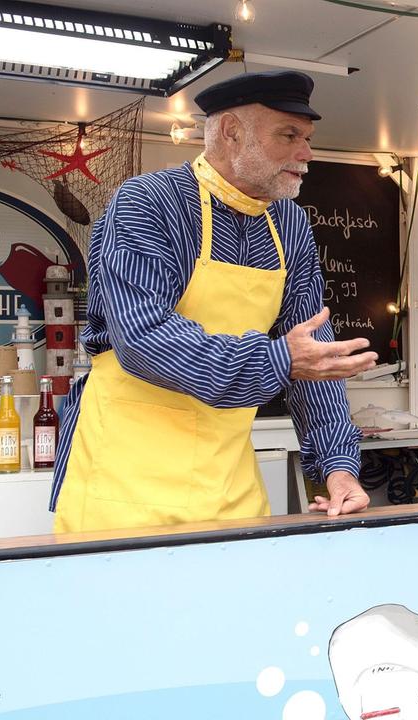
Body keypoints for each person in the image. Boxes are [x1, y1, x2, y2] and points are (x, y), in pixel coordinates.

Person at [50, 70, 377, 533]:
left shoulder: (291, 226)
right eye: (289, 135)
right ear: (230, 132)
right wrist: (279, 359)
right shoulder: (147, 203)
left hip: (230, 486)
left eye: (307, 138)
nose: (306, 154)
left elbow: (313, 356)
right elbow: (145, 339)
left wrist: (337, 467)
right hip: (126, 483)